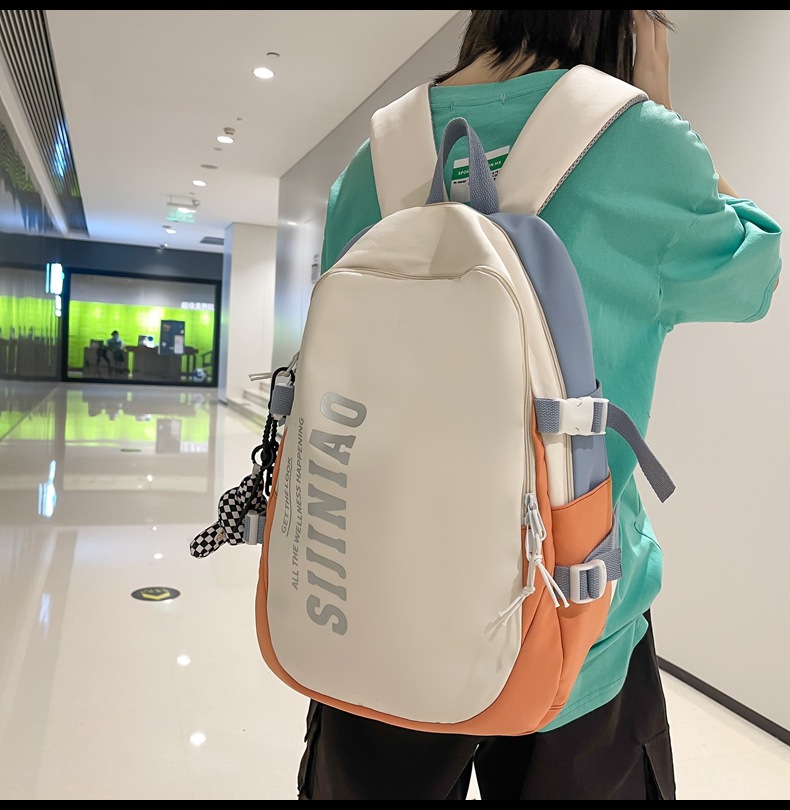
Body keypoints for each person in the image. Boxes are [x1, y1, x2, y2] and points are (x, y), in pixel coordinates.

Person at [297, 11, 783, 800]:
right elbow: (755, 271)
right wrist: (664, 110)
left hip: (375, 605)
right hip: (573, 625)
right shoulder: (641, 145)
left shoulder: (374, 158)